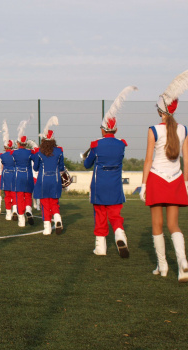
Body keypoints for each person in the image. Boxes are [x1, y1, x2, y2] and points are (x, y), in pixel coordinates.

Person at [140, 69, 188, 283]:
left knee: (157, 225)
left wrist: (143, 185)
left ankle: (162, 267)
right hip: (176, 179)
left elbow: (148, 161)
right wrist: (186, 181)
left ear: (160, 110)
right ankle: (182, 262)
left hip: (156, 179)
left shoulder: (153, 130)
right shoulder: (183, 129)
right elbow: (186, 160)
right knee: (174, 225)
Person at [84, 86, 136, 257]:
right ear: (115, 129)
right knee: (115, 214)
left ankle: (100, 248)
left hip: (100, 185)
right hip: (115, 185)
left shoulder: (96, 144)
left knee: (100, 214)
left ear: (103, 129)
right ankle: (120, 234)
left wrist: (90, 154)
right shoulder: (122, 144)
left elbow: (87, 164)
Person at [32, 116, 65, 235]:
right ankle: (57, 219)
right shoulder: (59, 151)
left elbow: (35, 167)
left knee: (45, 203)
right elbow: (61, 167)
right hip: (55, 180)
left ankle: (47, 228)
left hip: (43, 180)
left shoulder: (39, 152)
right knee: (54, 202)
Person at [13, 134, 36, 227]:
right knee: (28, 196)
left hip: (18, 176)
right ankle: (28, 210)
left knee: (19, 197)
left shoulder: (14, 153)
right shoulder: (30, 152)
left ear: (18, 143)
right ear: (26, 144)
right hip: (28, 176)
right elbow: (36, 158)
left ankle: (21, 219)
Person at [0, 121, 17, 221]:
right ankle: (15, 210)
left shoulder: (3, 155)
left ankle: (8, 213)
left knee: (7, 195)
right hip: (14, 174)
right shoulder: (15, 154)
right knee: (14, 194)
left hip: (6, 175)